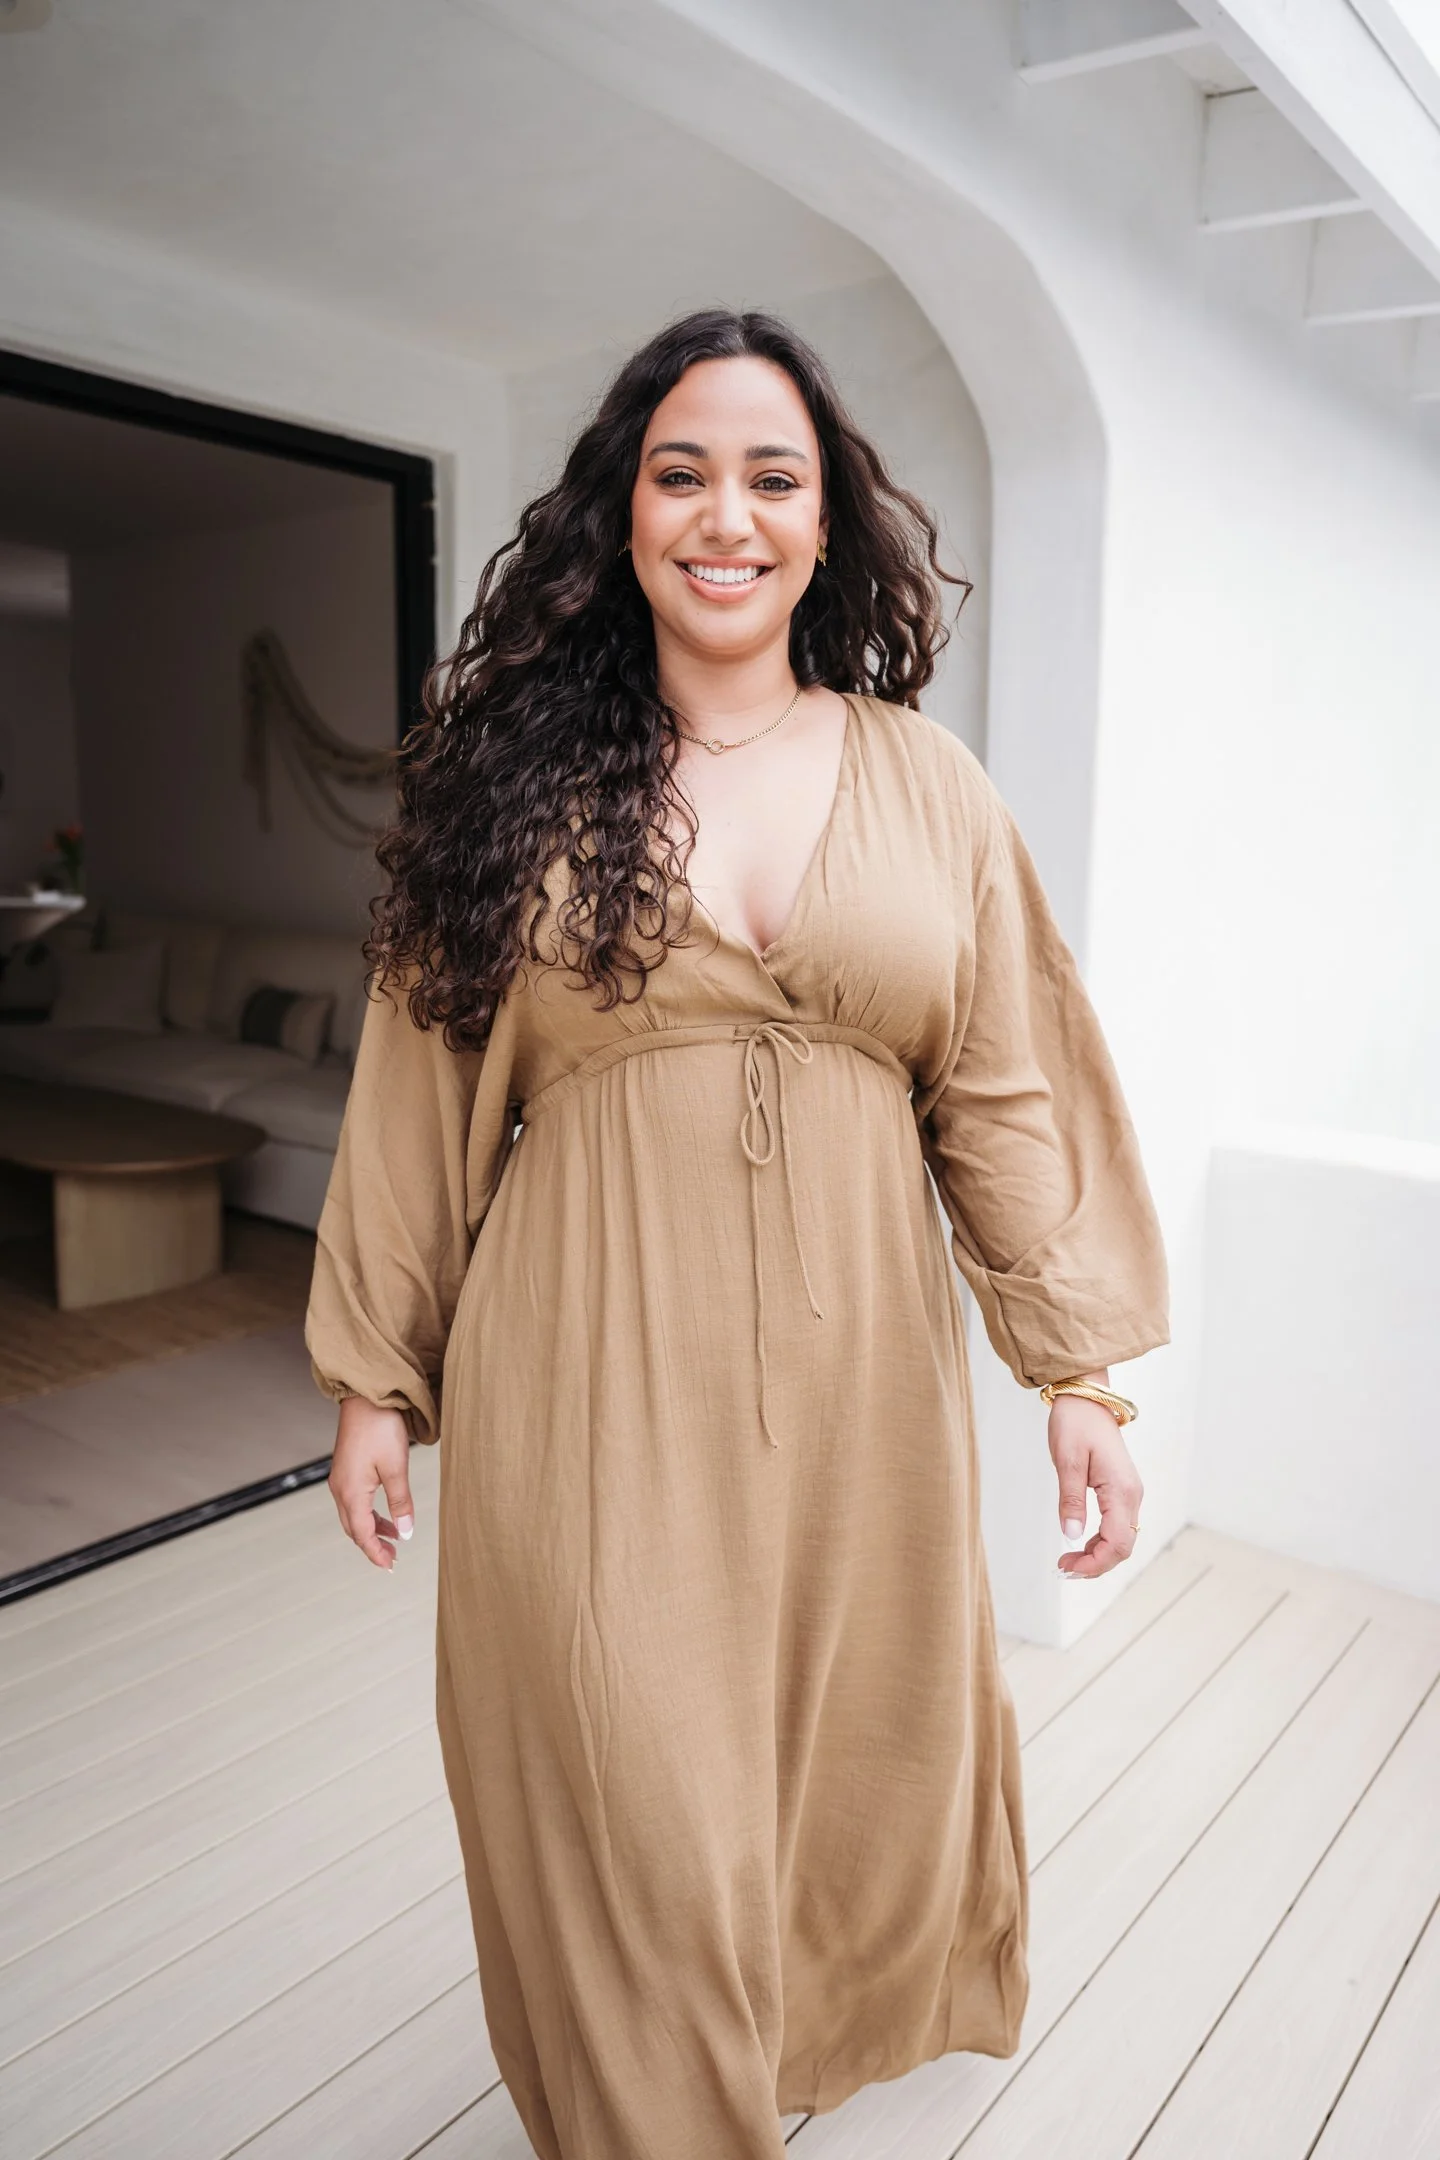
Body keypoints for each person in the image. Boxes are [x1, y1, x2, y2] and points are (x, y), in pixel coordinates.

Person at [305, 306, 1169, 2160]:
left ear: (826, 521)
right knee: (624, 1792)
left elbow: (1004, 1085)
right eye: (679, 471)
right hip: (587, 1375)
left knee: (844, 1774)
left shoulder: (926, 785)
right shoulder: (512, 789)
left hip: (867, 1385)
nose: (726, 514)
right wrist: (379, 1375)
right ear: (622, 513)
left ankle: (765, 2059)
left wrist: (1075, 1373)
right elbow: (413, 1089)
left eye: (772, 476)